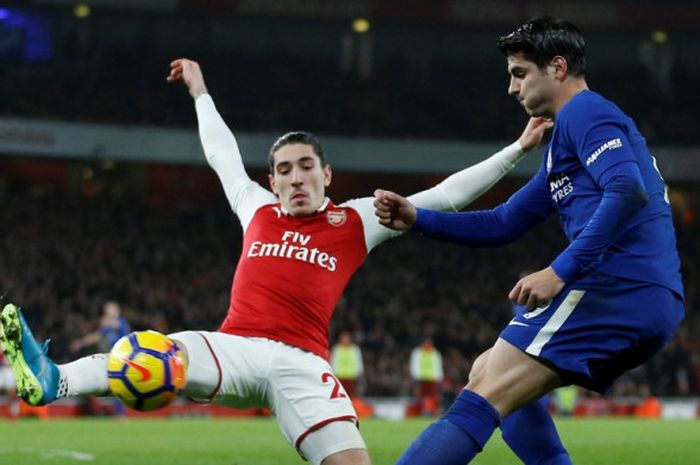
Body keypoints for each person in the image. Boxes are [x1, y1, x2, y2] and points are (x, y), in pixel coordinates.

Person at [0, 58, 551, 465]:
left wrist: (519, 148)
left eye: (305, 166)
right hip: (235, 347)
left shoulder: (357, 220)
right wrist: (200, 92)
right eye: (283, 169)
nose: (294, 177)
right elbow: (220, 156)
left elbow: (447, 196)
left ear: (326, 175)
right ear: (273, 181)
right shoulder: (257, 208)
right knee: (151, 354)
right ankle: (54, 382)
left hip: (304, 365)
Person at [374, 16, 685, 465]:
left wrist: (560, 271)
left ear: (557, 68)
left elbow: (626, 189)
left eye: (519, 73)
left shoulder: (585, 111)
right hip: (644, 295)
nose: (512, 88)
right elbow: (503, 222)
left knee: (484, 392)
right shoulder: (562, 145)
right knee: (487, 371)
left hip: (617, 287)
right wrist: (419, 218)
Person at [70, 300, 130, 417]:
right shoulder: (107, 326)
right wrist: (80, 342)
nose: (107, 312)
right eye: (106, 310)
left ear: (116, 311)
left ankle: (121, 413)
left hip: (123, 359)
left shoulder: (121, 322)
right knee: (115, 386)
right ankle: (118, 413)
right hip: (112, 358)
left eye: (109, 309)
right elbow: (97, 336)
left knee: (118, 386)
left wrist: (105, 322)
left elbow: (118, 326)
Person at [409, 338, 443, 416]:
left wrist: (439, 377)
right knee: (419, 397)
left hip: (432, 378)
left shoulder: (435, 353)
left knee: (433, 397)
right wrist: (415, 376)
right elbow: (414, 364)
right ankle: (419, 412)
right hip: (421, 378)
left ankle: (433, 412)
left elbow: (438, 366)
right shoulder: (418, 352)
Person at [330, 330, 364, 399]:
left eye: (347, 338)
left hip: (352, 378)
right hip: (339, 378)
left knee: (353, 397)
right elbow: (333, 362)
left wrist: (359, 373)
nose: (345, 340)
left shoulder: (355, 349)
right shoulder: (336, 349)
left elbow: (358, 362)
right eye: (343, 338)